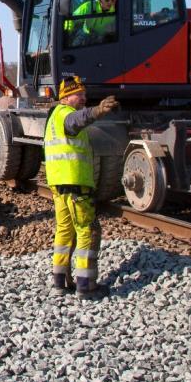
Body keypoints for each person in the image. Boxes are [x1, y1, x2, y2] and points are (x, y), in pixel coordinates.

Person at [44, 76, 119, 299]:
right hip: (76, 185)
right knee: (88, 231)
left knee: (65, 231)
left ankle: (59, 282)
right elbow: (80, 119)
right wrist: (98, 111)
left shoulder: (54, 117)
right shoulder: (67, 116)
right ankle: (86, 286)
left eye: (85, 95)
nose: (84, 98)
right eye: (80, 95)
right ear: (66, 97)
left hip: (59, 185)